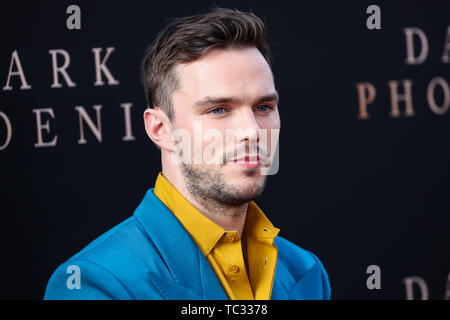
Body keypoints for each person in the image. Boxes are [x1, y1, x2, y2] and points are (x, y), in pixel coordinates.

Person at [44, 7, 331, 300]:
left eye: (263, 107)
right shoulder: (96, 284)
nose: (253, 131)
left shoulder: (305, 271)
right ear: (160, 129)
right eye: (218, 110)